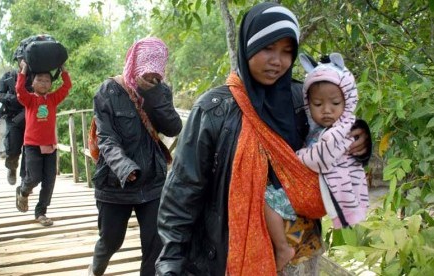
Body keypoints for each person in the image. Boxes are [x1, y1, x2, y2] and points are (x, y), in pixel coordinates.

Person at [156, 3, 372, 276]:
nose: (277, 61)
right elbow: (183, 191)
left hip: (301, 253)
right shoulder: (214, 109)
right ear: (247, 46)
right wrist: (170, 262)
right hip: (231, 253)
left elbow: (335, 140)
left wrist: (361, 141)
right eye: (268, 48)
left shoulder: (303, 100)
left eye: (286, 51)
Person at [264, 52, 370, 273]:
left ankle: (282, 248)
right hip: (308, 199)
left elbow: (321, 157)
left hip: (312, 198)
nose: (326, 110)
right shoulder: (322, 124)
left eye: (335, 103)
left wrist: (292, 158)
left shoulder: (341, 129)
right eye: (318, 104)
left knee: (268, 200)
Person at [88, 37, 182, 276]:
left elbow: (173, 128)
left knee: (155, 246)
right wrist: (124, 167)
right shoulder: (108, 91)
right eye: (146, 73)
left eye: (156, 75)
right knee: (111, 241)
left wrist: (156, 96)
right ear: (135, 64)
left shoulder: (160, 91)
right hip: (114, 183)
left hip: (152, 183)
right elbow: (106, 138)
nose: (150, 79)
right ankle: (95, 269)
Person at [14, 60, 72, 227]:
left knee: (49, 181)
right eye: (39, 79)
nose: (44, 83)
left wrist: (63, 69)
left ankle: (41, 212)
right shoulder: (29, 100)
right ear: (32, 82)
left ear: (50, 84)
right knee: (33, 177)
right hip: (32, 145)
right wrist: (24, 70)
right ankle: (23, 191)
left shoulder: (53, 99)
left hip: (50, 146)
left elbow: (67, 86)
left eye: (47, 80)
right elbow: (19, 89)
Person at [0, 53, 33, 185]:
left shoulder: (34, 76)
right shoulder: (8, 76)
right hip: (13, 118)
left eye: (25, 59)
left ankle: (25, 178)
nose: (23, 61)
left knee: (30, 150)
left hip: (30, 116)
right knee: (13, 148)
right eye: (20, 59)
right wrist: (11, 98)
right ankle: (12, 168)